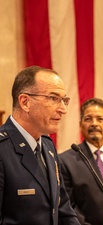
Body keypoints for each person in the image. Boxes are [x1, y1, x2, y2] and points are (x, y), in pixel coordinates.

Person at [0, 66, 80, 224]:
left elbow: (63, 207)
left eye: (64, 100)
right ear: (25, 102)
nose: (63, 109)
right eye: (53, 98)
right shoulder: (2, 149)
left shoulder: (48, 146)